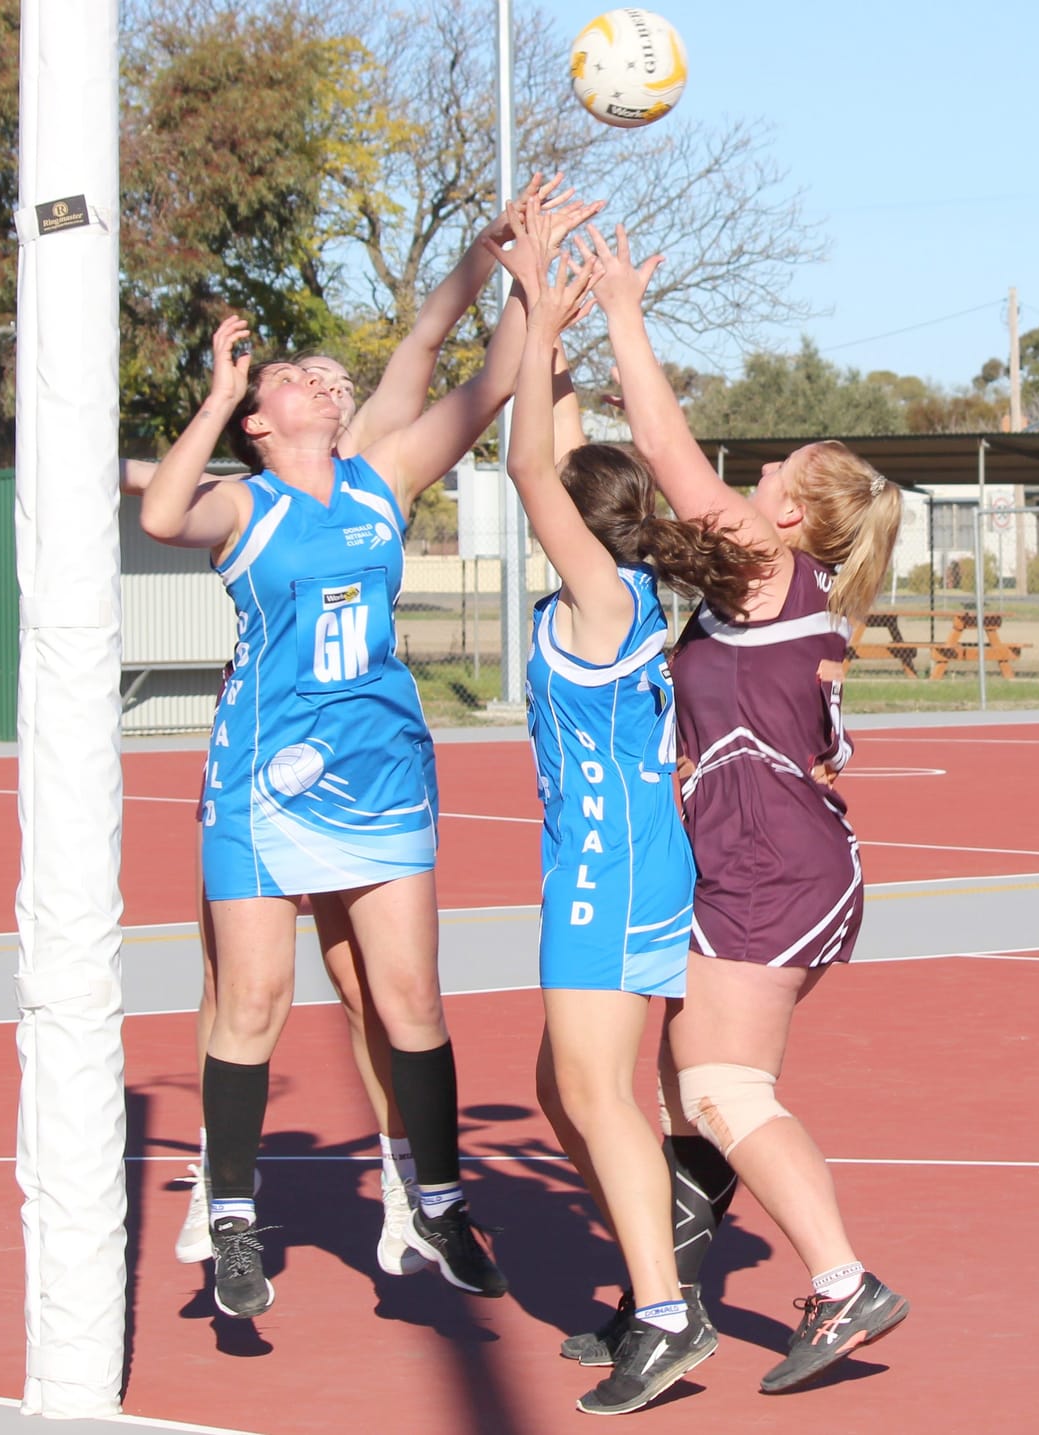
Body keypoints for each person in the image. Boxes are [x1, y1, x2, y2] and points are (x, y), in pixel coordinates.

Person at [125, 177, 600, 1281]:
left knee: (409, 999)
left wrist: (516, 265)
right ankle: (231, 1214)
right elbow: (159, 513)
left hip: (383, 772)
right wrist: (219, 393)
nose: (317, 377)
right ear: (259, 420)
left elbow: (486, 379)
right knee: (251, 996)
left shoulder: (381, 479)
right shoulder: (244, 504)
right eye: (292, 374)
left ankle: (436, 1203)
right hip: (265, 781)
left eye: (323, 373)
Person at [572, 221, 912, 1394]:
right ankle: (658, 1295)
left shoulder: (769, 570)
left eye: (774, 475)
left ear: (792, 517)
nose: (754, 477)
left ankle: (840, 1280)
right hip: (755, 855)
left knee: (720, 1087)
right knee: (683, 1085)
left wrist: (622, 310)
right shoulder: (763, 588)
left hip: (773, 862)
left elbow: (664, 448)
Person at [488, 202, 769, 1415]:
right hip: (635, 861)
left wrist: (536, 311)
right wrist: (543, 301)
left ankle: (663, 1312)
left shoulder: (599, 598)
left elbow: (525, 465)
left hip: (604, 872)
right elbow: (557, 449)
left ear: (578, 525)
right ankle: (660, 1254)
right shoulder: (628, 581)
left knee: (595, 1093)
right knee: (568, 1090)